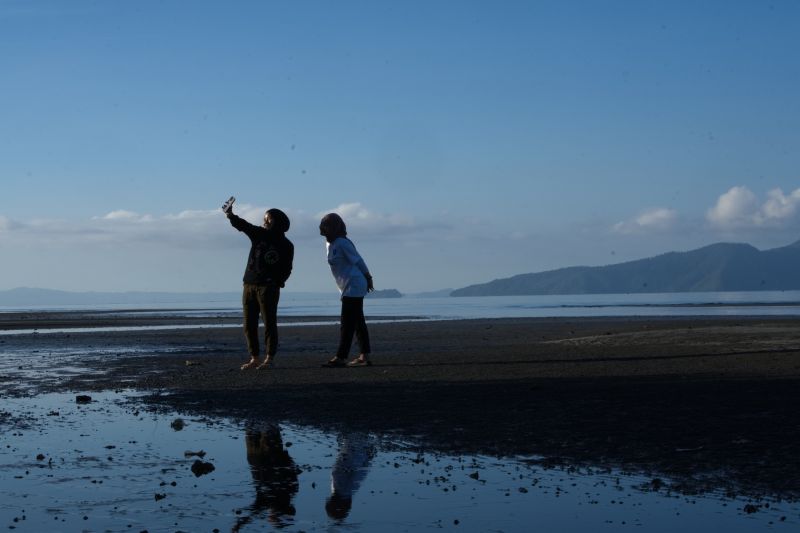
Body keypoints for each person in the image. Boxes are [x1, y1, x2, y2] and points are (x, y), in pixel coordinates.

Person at [225, 201, 293, 370]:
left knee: (269, 323)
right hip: (249, 284)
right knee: (249, 324)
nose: (264, 222)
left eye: (268, 219)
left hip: (268, 288)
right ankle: (254, 358)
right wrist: (230, 215)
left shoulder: (286, 245)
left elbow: (287, 268)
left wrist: (278, 282)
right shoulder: (259, 234)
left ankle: (269, 358)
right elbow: (244, 226)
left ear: (276, 221)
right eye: (264, 219)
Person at [319, 213, 374, 367]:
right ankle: (365, 356)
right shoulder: (329, 244)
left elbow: (358, 260)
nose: (325, 228)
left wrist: (368, 277)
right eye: (324, 225)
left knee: (347, 322)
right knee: (357, 321)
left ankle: (341, 357)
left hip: (355, 284)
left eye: (328, 225)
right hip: (346, 286)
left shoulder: (343, 243)